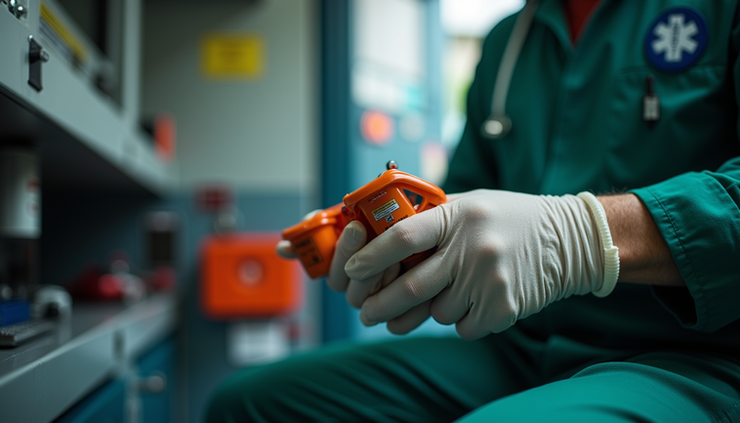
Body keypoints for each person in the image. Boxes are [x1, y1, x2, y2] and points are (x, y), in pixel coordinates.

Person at [207, 0, 740, 421]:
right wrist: (401, 243)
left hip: (690, 357)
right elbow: (464, 197)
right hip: (521, 345)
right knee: (250, 404)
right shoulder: (511, 44)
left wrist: (581, 235)